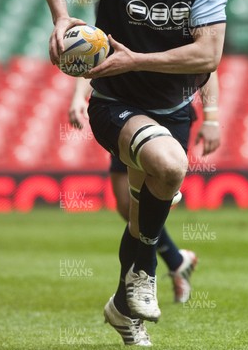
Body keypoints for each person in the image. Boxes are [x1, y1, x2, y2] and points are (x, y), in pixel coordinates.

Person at [35, 0, 227, 346]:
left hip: (173, 108)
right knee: (167, 169)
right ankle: (150, 273)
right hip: (115, 103)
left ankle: (124, 310)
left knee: (142, 214)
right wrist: (62, 18)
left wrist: (137, 60)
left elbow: (208, 56)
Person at [67, 73, 220, 301]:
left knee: (145, 204)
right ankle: (177, 262)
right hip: (126, 110)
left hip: (171, 111)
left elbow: (207, 63)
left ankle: (136, 288)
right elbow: (99, 52)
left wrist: (211, 119)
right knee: (126, 205)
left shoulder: (181, 36)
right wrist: (79, 96)